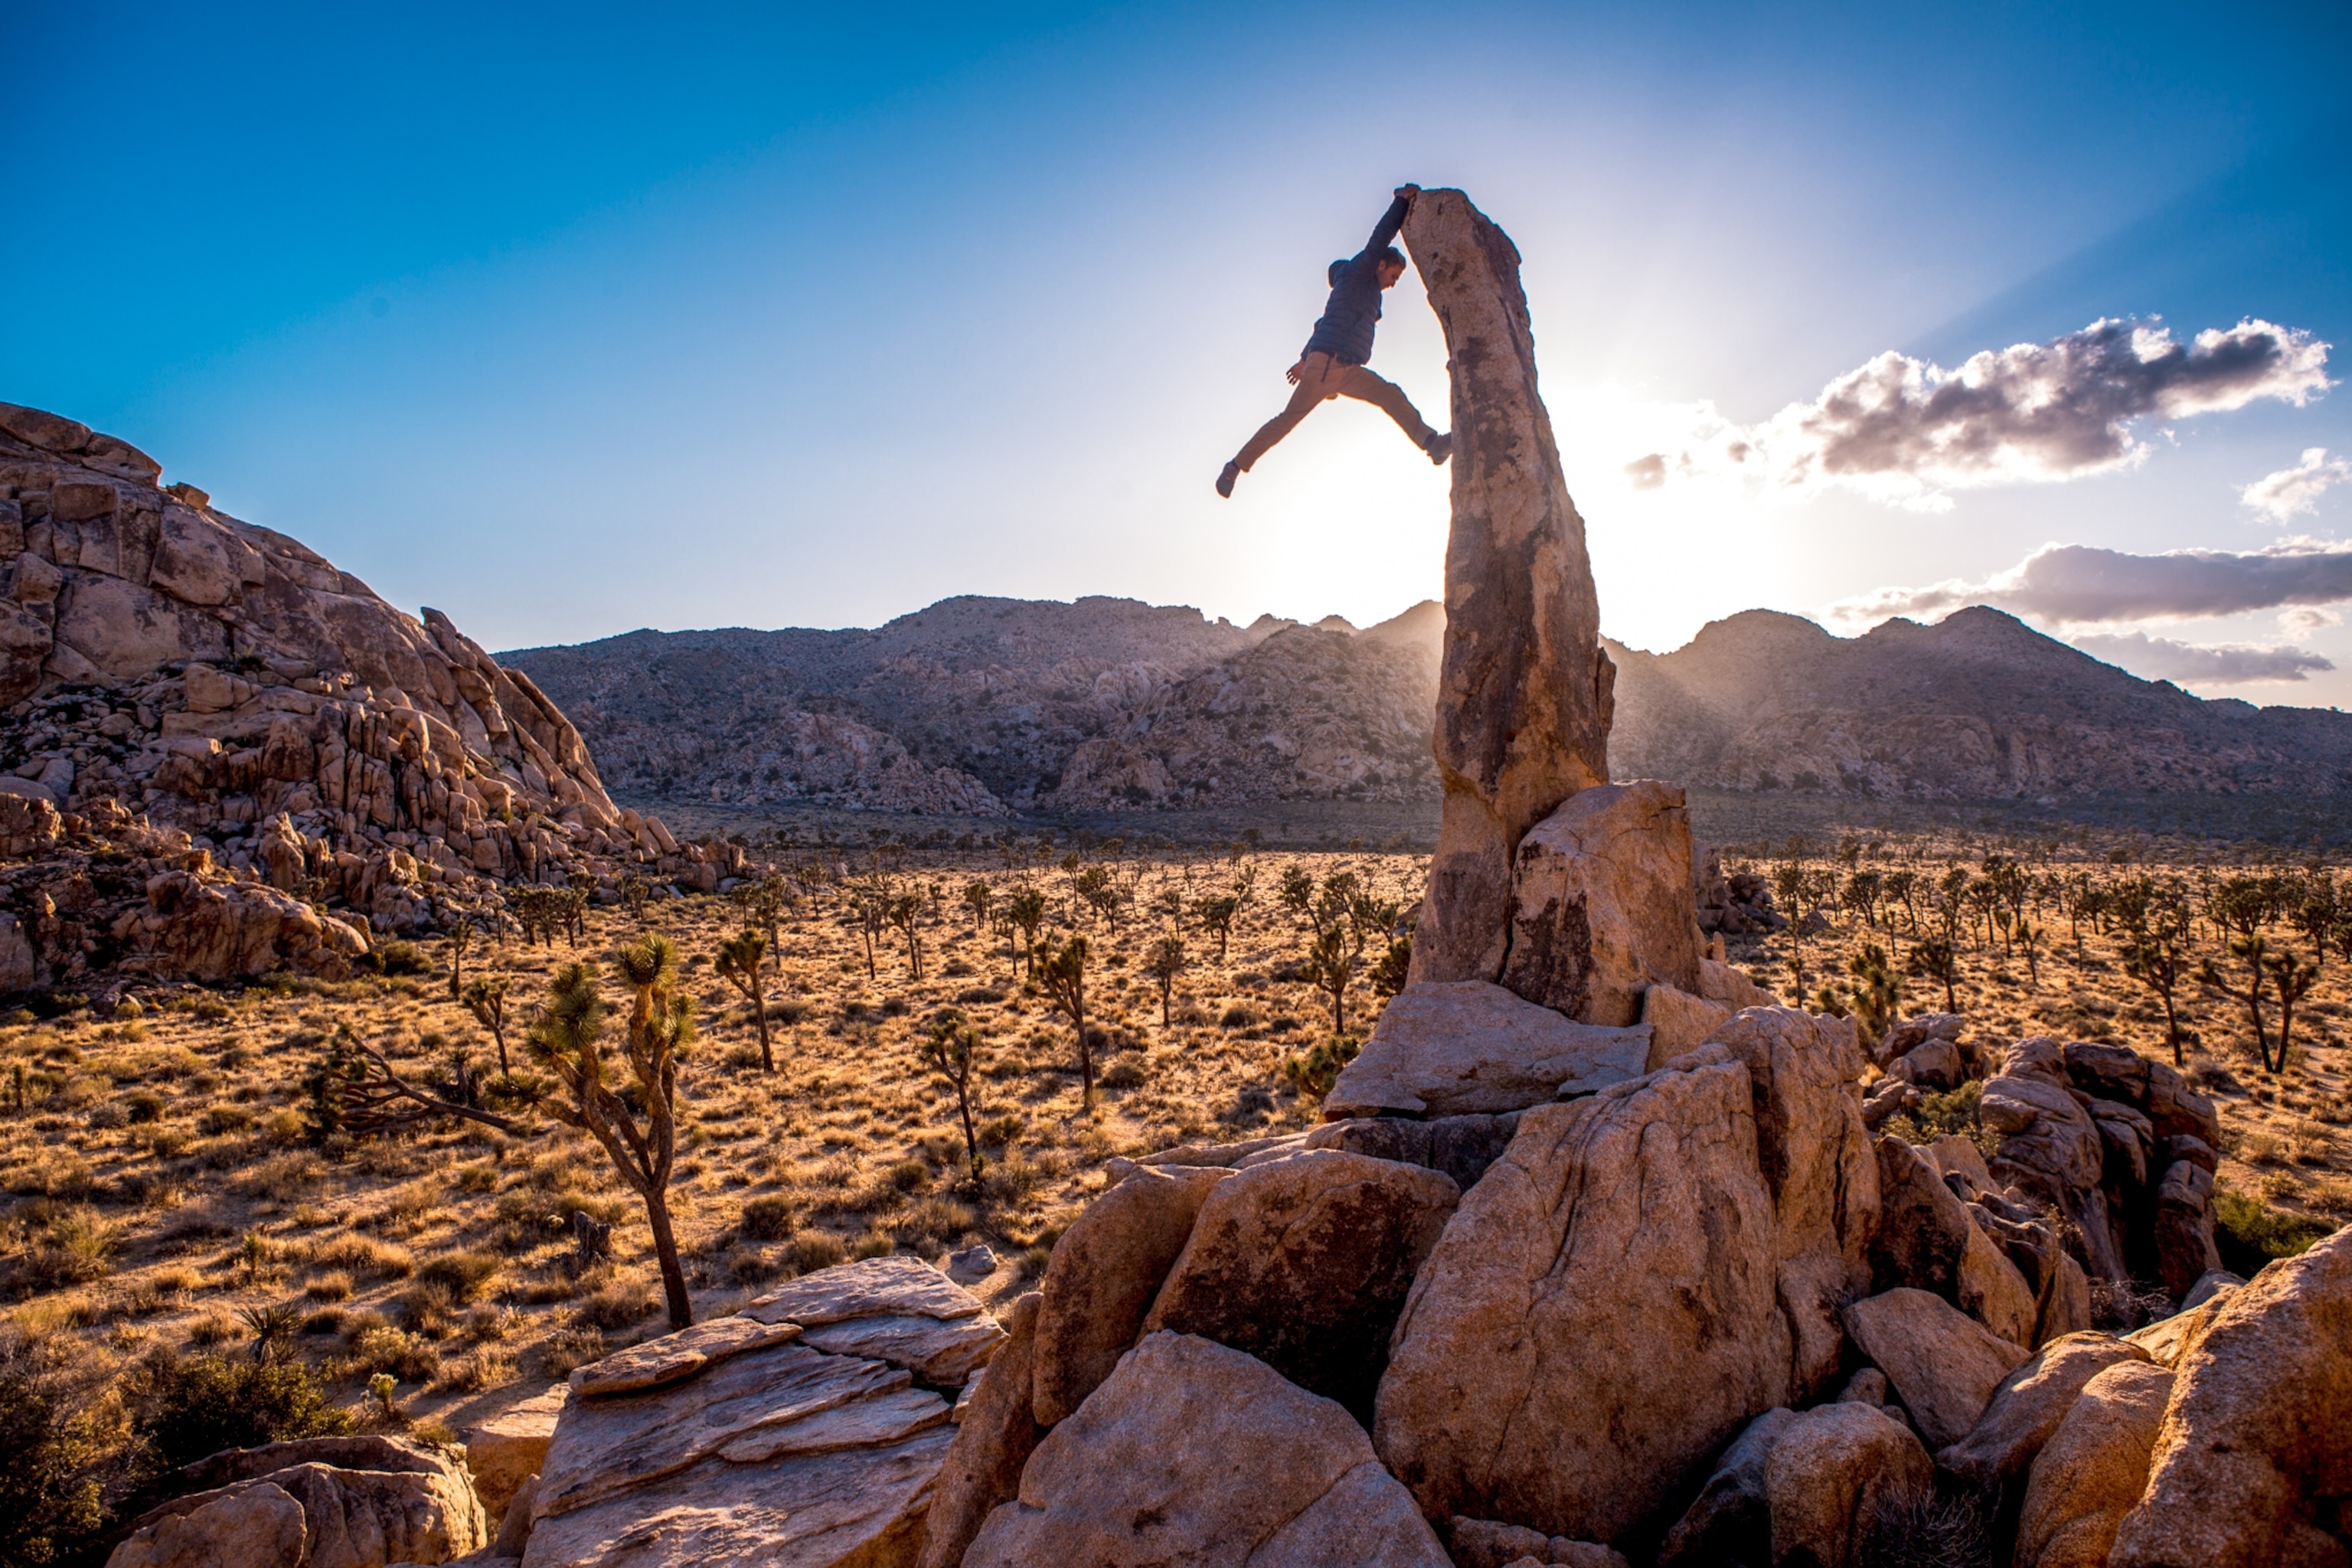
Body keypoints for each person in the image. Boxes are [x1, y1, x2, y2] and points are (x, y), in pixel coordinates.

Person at [1217, 183, 1450, 498]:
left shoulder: (1366, 293)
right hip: (1330, 363)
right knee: (1287, 421)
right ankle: (1234, 467)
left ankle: (1433, 444)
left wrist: (1303, 359)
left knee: (1389, 395)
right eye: (1393, 276)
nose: (1393, 284)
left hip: (1344, 370)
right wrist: (1401, 202)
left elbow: (1321, 323)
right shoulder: (1359, 273)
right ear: (1380, 265)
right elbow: (1380, 237)